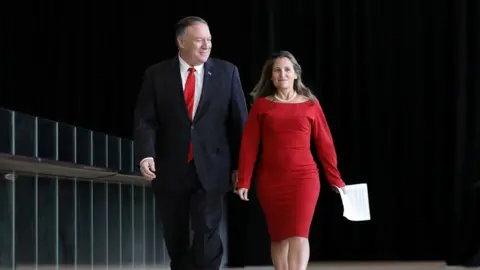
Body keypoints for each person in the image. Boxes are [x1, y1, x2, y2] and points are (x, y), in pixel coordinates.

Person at [133, 16, 248, 270]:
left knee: (207, 234)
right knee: (176, 237)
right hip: (170, 168)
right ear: (181, 41)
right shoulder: (157, 74)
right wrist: (146, 155)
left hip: (212, 168)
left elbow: (241, 124)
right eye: (199, 40)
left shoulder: (227, 72)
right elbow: (146, 120)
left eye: (209, 40)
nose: (206, 45)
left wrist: (243, 168)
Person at [234, 51, 347, 270]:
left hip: (304, 179)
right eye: (277, 70)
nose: (282, 74)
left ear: (296, 74)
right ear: (271, 77)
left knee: (299, 233)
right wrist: (244, 181)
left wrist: (335, 178)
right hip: (271, 180)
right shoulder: (262, 106)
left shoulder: (310, 104)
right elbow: (249, 145)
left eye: (287, 69)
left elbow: (325, 144)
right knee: (278, 236)